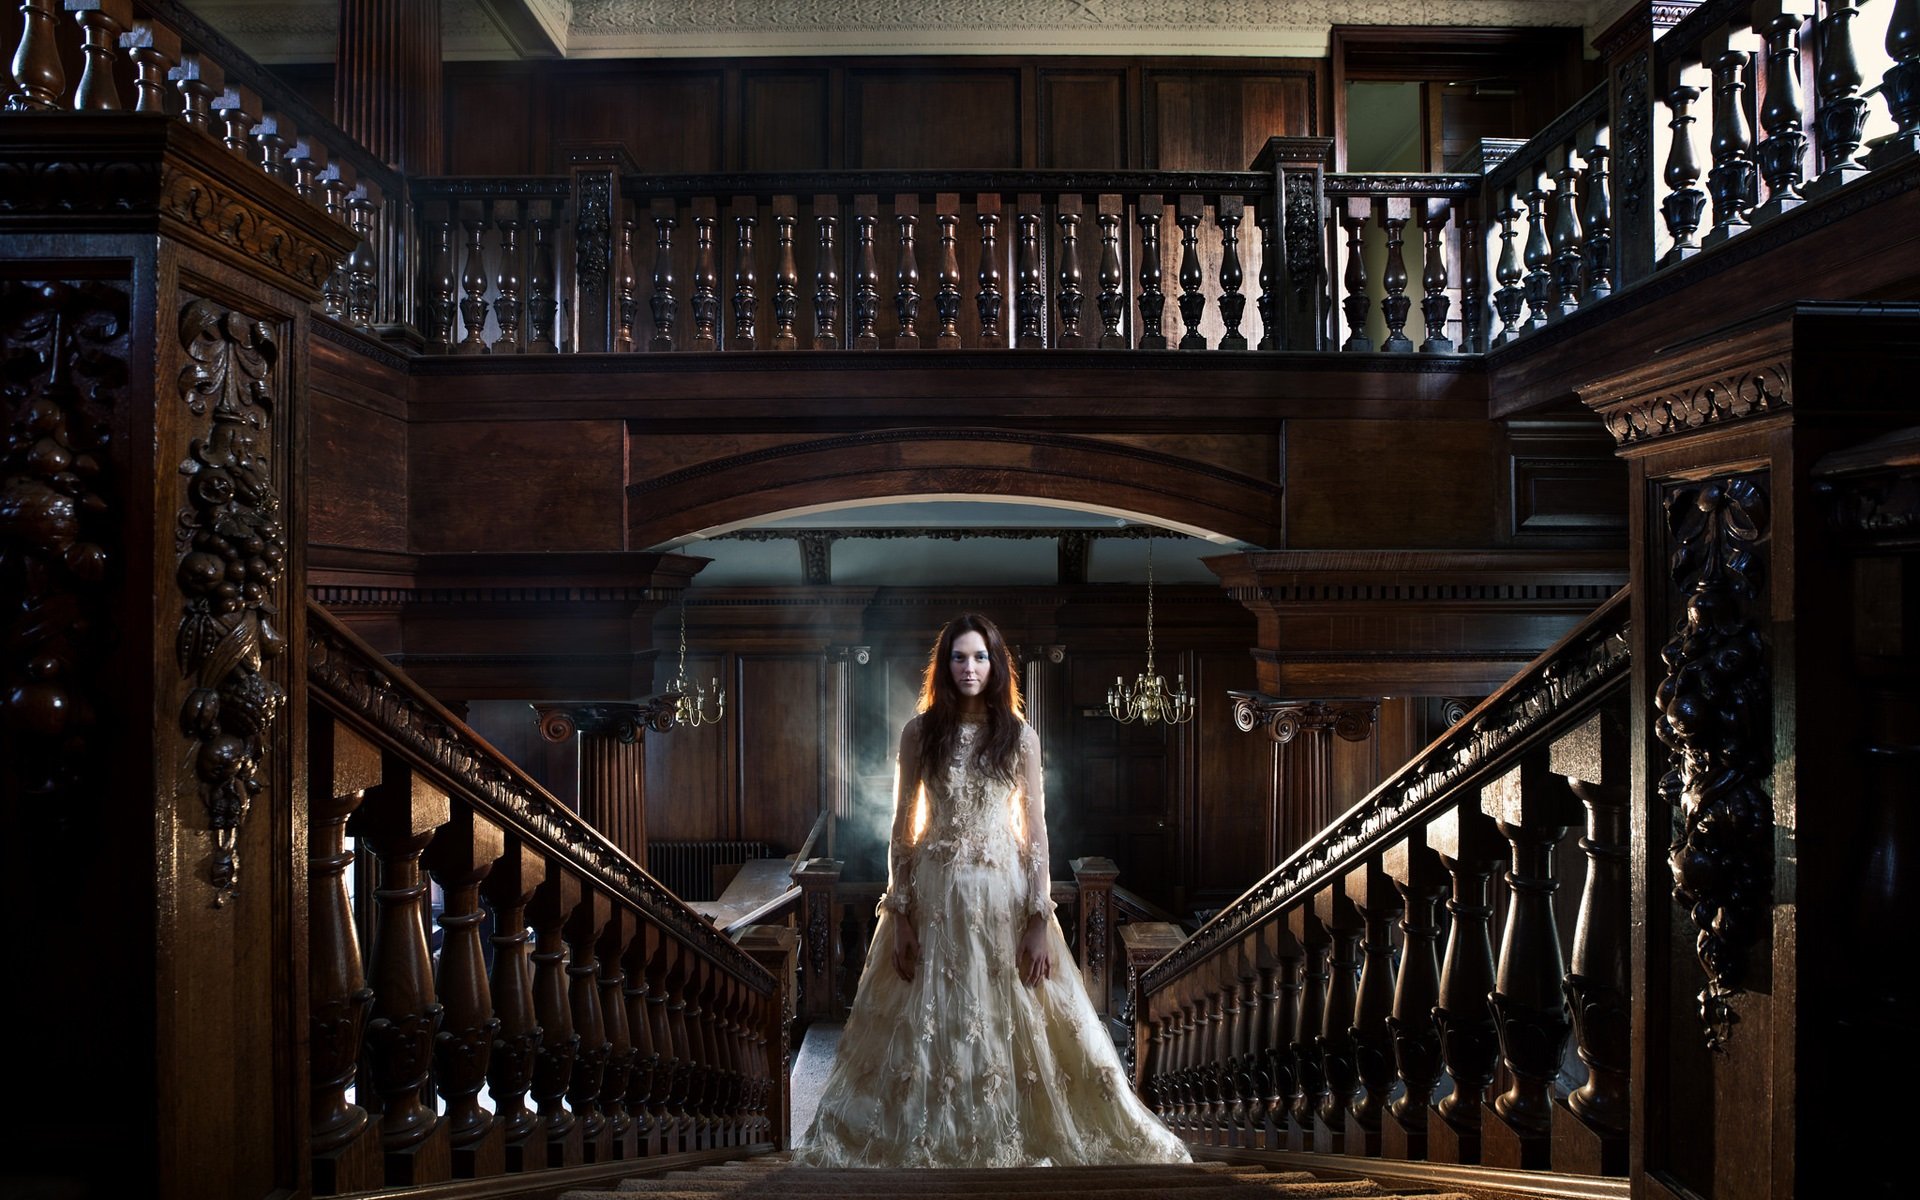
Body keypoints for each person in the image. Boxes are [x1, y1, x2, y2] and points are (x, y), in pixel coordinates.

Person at [793, 613, 1190, 1168]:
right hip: (933, 897)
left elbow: (1036, 835)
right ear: (945, 665)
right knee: (928, 1025)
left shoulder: (1020, 738)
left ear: (997, 664)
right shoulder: (919, 733)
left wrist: (1037, 919)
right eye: (959, 656)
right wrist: (900, 913)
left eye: (979, 656)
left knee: (1019, 1018)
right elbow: (903, 827)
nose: (969, 667)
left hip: (1004, 898)